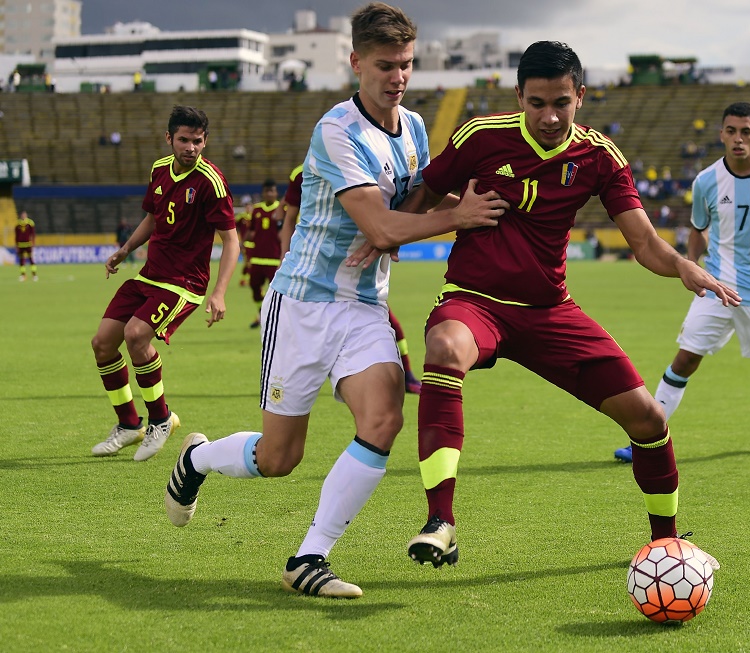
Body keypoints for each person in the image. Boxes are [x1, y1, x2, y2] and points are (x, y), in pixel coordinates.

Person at [162, 2, 506, 599]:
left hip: (364, 307)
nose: (397, 76)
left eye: (405, 64)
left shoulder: (417, 127)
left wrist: (402, 226)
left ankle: (309, 558)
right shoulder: (336, 130)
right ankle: (198, 461)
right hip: (301, 305)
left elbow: (408, 205)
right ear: (355, 63)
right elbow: (383, 224)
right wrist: (449, 218)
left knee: (384, 416)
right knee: (279, 457)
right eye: (383, 65)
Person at [389, 41, 738, 569]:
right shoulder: (482, 137)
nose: (549, 116)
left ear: (580, 95)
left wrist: (683, 266)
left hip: (551, 312)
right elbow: (422, 196)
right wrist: (405, 230)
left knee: (647, 418)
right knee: (442, 347)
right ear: (519, 97)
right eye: (536, 103)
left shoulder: (599, 157)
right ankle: (441, 522)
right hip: (475, 302)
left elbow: (642, 242)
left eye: (561, 103)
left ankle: (666, 543)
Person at [614, 101, 750, 463]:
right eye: (731, 131)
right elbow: (698, 231)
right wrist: (691, 264)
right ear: (721, 134)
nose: (738, 139)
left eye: (745, 132)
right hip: (715, 286)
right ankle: (647, 436)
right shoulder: (706, 181)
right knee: (684, 360)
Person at [90, 105, 239, 461]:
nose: (191, 148)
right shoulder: (159, 169)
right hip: (149, 275)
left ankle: (160, 419)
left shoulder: (211, 182)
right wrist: (125, 249)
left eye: (198, 141)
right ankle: (128, 424)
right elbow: (154, 218)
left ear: (205, 141)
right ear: (169, 138)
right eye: (184, 140)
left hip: (184, 282)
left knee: (137, 335)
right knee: (102, 344)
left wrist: (219, 293)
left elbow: (231, 240)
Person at [279, 161, 422, 391]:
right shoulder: (301, 173)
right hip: (313, 267)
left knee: (391, 327)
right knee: (305, 337)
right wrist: (283, 257)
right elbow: (288, 218)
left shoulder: (365, 163)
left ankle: (406, 376)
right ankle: (295, 384)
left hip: (355, 264)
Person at [244, 179, 282, 328]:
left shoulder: (281, 210)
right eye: (267, 191)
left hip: (274, 259)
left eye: (272, 191)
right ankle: (262, 312)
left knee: (276, 292)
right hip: (257, 258)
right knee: (254, 287)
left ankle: (274, 318)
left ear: (276, 193)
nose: (269, 194)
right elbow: (251, 231)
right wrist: (242, 242)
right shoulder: (256, 210)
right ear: (263, 193)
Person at [235, 196, 253, 287]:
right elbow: (233, 227)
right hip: (245, 243)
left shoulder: (255, 216)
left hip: (255, 244)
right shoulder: (241, 217)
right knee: (248, 262)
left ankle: (243, 279)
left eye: (249, 205)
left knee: (250, 262)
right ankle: (249, 279)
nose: (248, 207)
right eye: (246, 205)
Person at [15, 210, 37, 281]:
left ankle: (34, 275)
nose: (23, 216)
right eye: (22, 215)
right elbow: (16, 236)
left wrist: (33, 243)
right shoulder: (18, 224)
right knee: (22, 260)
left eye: (24, 215)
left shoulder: (30, 223)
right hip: (21, 245)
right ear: (21, 215)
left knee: (31, 259)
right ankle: (23, 275)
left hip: (28, 244)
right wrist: (16, 245)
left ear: (26, 215)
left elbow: (33, 234)